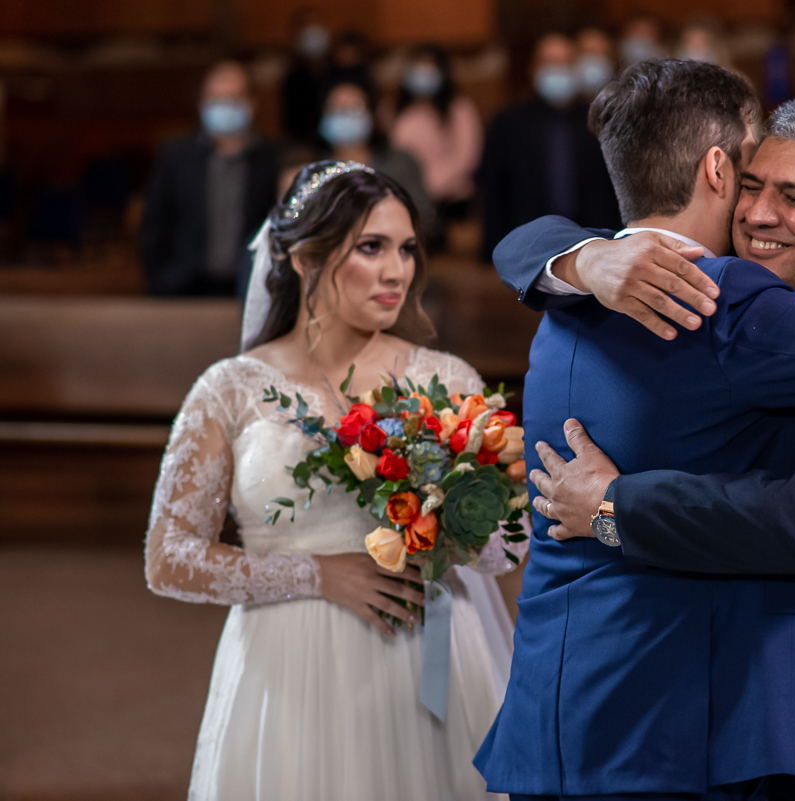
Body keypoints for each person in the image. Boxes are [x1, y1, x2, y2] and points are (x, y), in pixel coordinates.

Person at [474, 62, 795, 799]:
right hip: (714, 714)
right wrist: (581, 255)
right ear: (720, 170)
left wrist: (614, 505)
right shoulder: (653, 282)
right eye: (753, 185)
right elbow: (534, 243)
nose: (758, 213)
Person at [144, 161, 518, 799]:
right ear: (303, 259)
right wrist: (319, 574)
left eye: (405, 249)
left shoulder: (447, 379)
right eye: (370, 248)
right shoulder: (230, 389)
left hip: (426, 654)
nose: (397, 270)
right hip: (288, 665)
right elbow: (168, 557)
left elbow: (511, 546)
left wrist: (457, 525)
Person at [140, 60, 280, 297]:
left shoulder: (272, 159)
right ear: (202, 104)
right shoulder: (176, 156)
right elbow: (154, 224)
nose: (225, 107)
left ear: (251, 104)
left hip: (250, 290)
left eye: (233, 99)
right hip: (184, 289)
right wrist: (161, 279)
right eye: (217, 99)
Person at [477, 33, 621, 258]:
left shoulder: (602, 121)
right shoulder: (508, 123)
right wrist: (491, 253)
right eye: (550, 63)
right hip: (527, 245)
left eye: (565, 63)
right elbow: (495, 191)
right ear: (534, 69)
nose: (558, 71)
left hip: (594, 243)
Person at [319, 81, 437, 239]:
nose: (344, 114)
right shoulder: (315, 171)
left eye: (354, 107)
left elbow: (425, 220)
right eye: (336, 108)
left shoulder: (400, 164)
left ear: (372, 114)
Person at [388, 44, 484, 221]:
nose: (423, 73)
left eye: (430, 67)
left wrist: (427, 187)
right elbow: (396, 157)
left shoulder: (460, 109)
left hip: (452, 202)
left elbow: (467, 158)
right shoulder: (395, 112)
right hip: (410, 201)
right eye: (418, 66)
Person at [282, 7, 331, 145]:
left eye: (316, 25)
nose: (313, 33)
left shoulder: (339, 72)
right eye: (306, 28)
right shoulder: (292, 79)